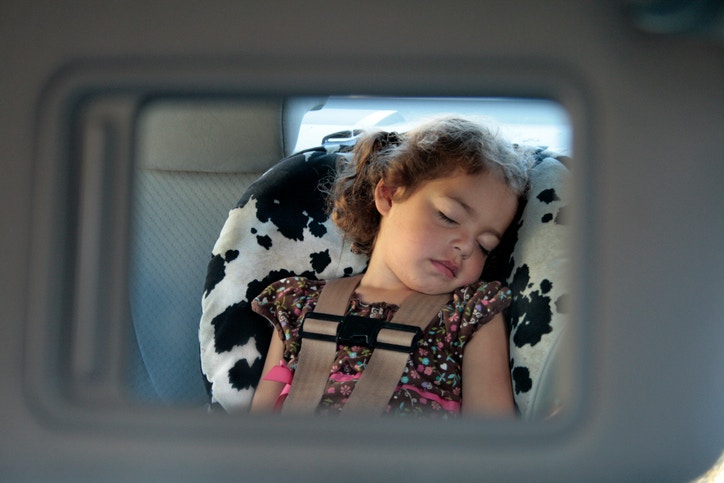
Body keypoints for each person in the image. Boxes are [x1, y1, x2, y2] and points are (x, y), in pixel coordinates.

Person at [250, 116, 532, 418]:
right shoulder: (298, 305)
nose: (465, 247)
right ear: (388, 194)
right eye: (449, 216)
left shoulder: (470, 315)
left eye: (484, 245)